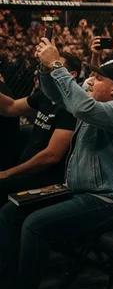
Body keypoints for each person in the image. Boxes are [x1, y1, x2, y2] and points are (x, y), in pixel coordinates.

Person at [0, 45, 113, 289]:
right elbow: (54, 93)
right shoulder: (100, 105)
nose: (90, 80)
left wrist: (57, 65)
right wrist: (46, 68)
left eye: (98, 78)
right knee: (11, 212)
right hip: (84, 192)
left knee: (35, 225)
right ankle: (6, 288)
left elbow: (81, 105)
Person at [0, 53, 78, 205]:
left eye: (54, 66)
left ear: (71, 75)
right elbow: (10, 107)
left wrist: (7, 173)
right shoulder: (45, 95)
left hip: (47, 180)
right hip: (26, 171)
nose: (47, 71)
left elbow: (51, 156)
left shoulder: (71, 107)